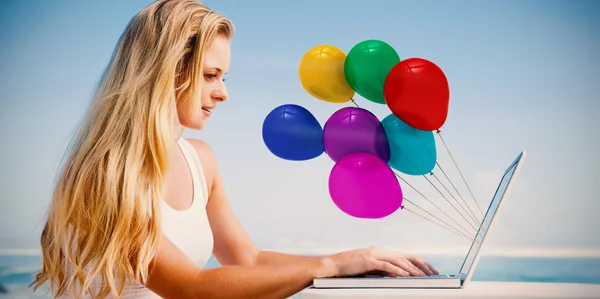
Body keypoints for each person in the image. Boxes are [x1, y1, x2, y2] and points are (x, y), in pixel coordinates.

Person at [30, 0, 438, 298]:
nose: (222, 93)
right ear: (161, 74)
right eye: (210, 75)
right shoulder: (104, 173)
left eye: (223, 76)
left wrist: (354, 261)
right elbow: (188, 288)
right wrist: (330, 266)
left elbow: (248, 260)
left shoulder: (199, 160)